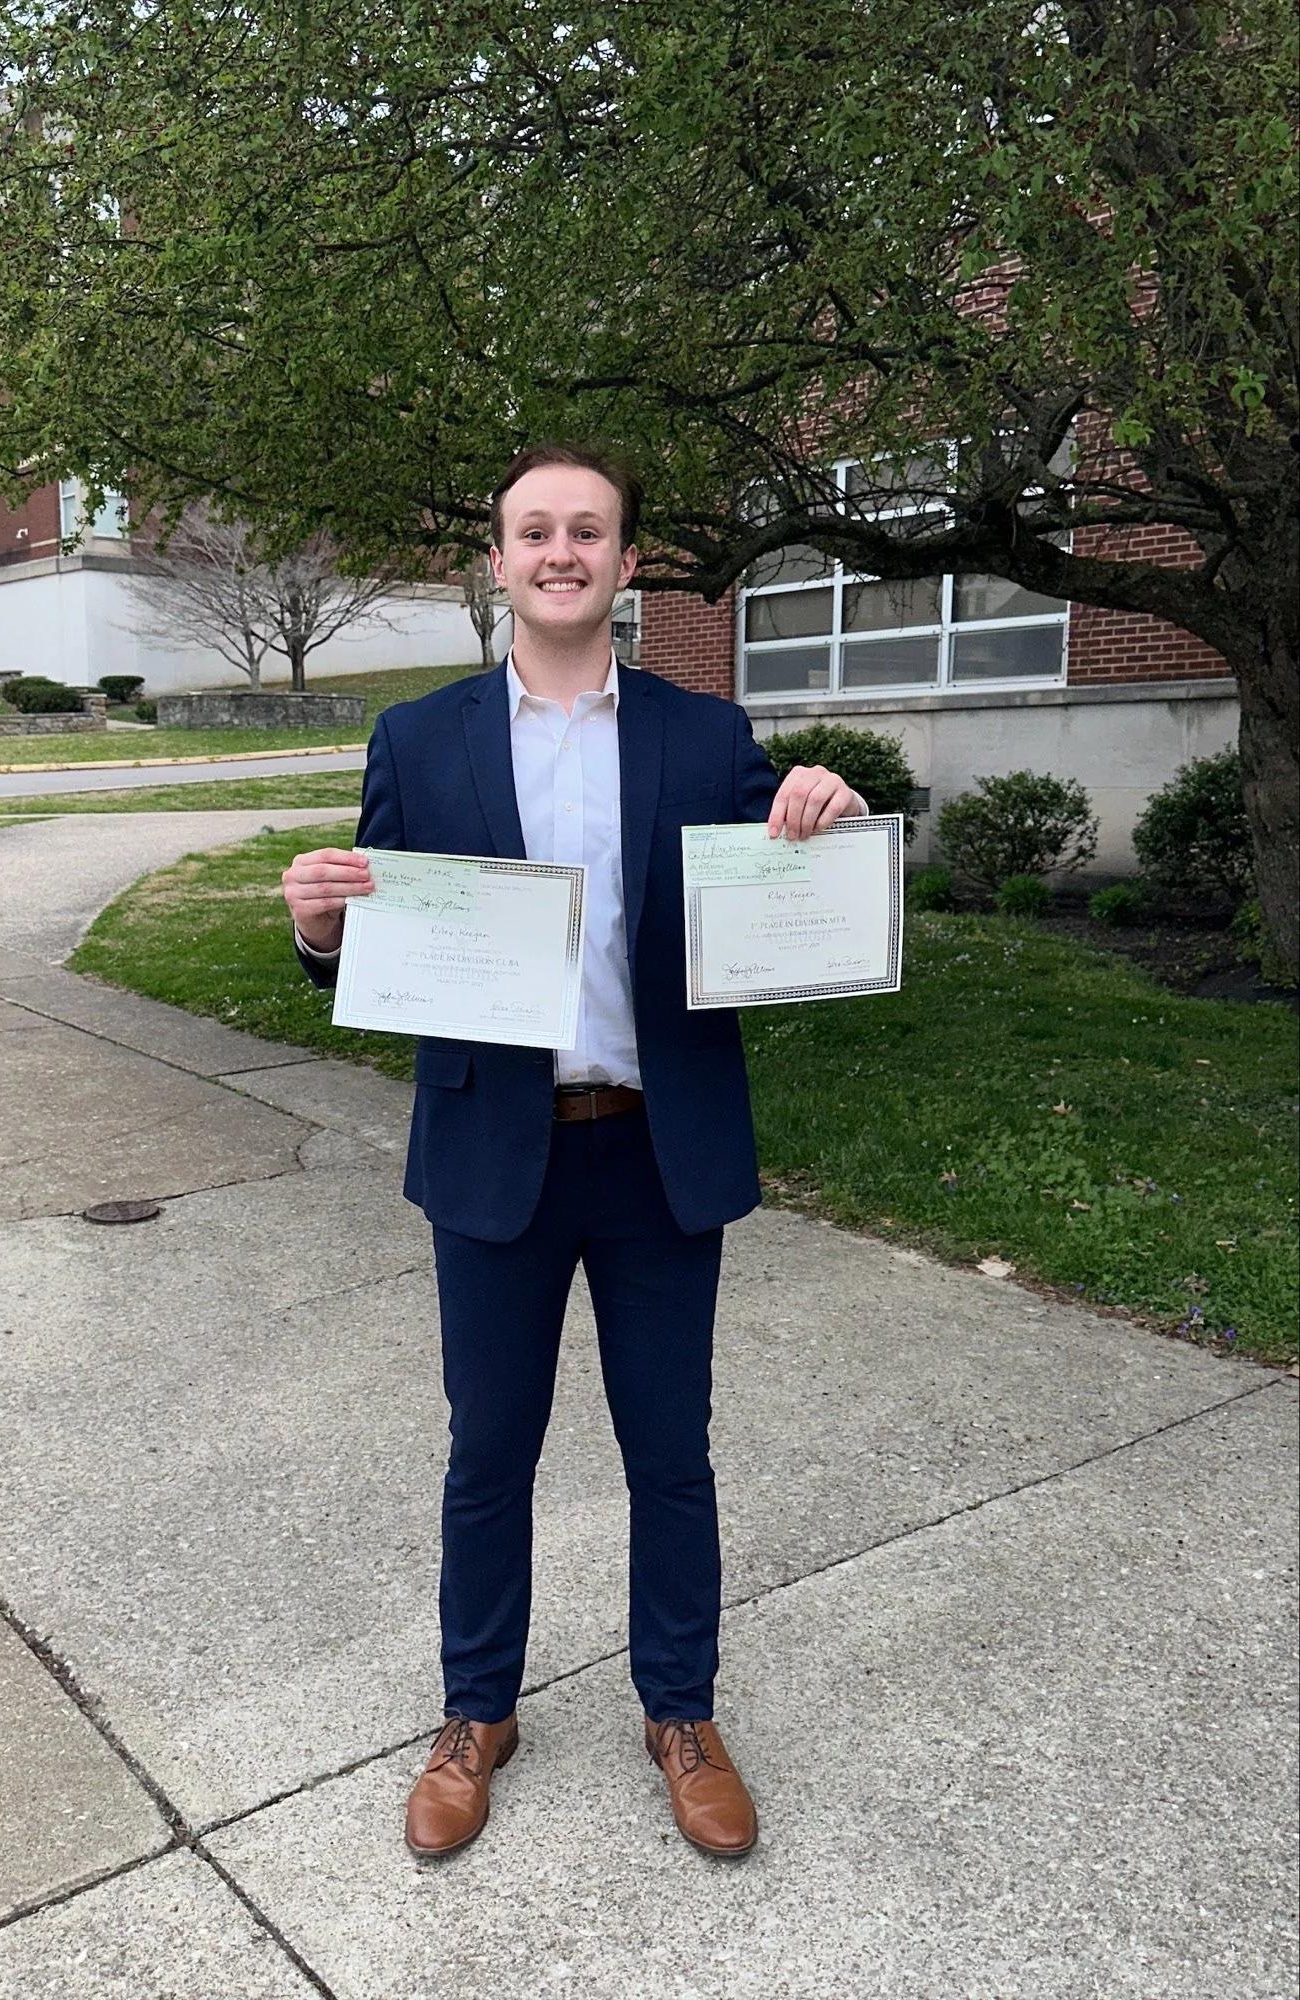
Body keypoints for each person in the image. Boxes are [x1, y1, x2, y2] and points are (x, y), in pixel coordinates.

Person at [282, 444, 865, 1860]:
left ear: (624, 562)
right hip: (497, 1156)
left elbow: (770, 914)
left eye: (587, 531)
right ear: (499, 564)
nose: (560, 551)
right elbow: (373, 941)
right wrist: (316, 929)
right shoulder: (418, 741)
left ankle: (681, 1709)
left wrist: (821, 828)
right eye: (534, 531)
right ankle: (478, 1709)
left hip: (656, 1154)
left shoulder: (704, 734)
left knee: (672, 1455)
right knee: (490, 1453)